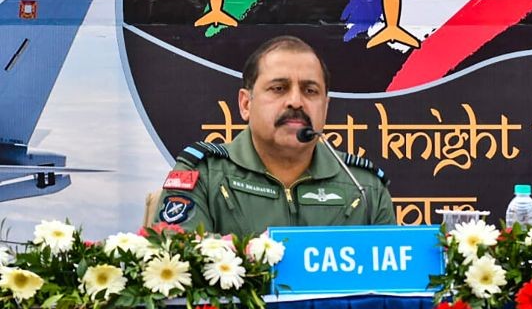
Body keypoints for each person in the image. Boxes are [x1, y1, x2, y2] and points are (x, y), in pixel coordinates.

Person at [155, 36, 395, 236]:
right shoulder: (204, 174)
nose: (296, 101)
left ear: (325, 107)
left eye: (310, 91)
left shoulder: (365, 188)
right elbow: (177, 261)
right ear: (246, 104)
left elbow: (394, 273)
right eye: (279, 88)